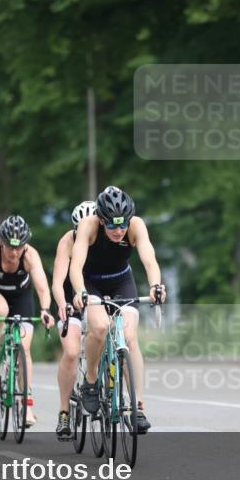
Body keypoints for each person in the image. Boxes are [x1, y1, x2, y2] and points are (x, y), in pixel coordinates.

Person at [70, 186, 166, 434]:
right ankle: (90, 381)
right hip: (91, 282)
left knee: (130, 337)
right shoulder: (88, 226)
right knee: (100, 328)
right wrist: (80, 291)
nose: (118, 230)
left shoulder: (136, 226)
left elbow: (149, 259)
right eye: (112, 225)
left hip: (122, 280)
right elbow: (76, 264)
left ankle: (138, 406)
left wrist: (156, 286)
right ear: (101, 220)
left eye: (122, 225)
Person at [0, 215, 54, 427]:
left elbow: (43, 288)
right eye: (10, 247)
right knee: (0, 311)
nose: (15, 253)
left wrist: (46, 310)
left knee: (24, 348)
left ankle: (27, 406)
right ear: (2, 242)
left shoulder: (30, 255)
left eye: (20, 248)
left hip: (21, 298)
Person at [51, 200, 97, 439]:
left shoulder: (104, 238)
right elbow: (58, 282)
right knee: (71, 351)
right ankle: (64, 412)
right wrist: (62, 304)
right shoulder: (67, 241)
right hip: (72, 302)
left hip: (98, 297)